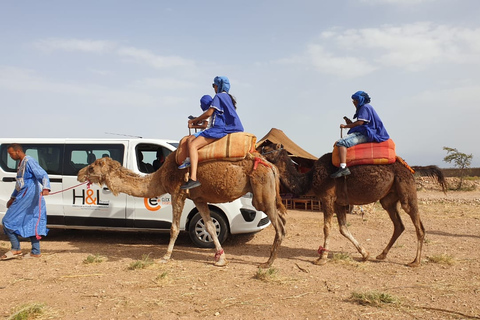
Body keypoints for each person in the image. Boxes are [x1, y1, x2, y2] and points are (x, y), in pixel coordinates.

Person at [179, 76, 244, 189]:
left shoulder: (218, 96)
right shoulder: (228, 97)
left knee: (193, 144)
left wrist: (194, 120)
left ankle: (193, 178)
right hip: (232, 127)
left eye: (213, 85)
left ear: (218, 86)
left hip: (220, 128)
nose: (213, 88)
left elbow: (209, 113)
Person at [1, 143, 51, 260]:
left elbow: (42, 174)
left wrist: (46, 187)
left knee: (7, 221)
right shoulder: (20, 164)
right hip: (23, 195)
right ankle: (35, 251)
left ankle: (16, 248)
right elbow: (19, 184)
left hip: (29, 196)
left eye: (11, 153)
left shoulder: (29, 161)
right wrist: (12, 198)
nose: (10, 156)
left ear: (18, 151)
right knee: (30, 221)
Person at [330, 91, 390, 179]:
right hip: (368, 132)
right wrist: (349, 123)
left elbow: (360, 123)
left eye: (355, 100)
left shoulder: (364, 108)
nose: (354, 103)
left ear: (360, 100)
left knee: (341, 143)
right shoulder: (366, 108)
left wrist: (345, 126)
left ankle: (343, 168)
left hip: (367, 134)